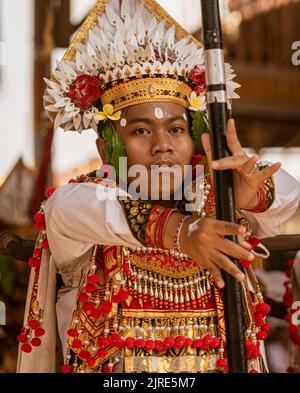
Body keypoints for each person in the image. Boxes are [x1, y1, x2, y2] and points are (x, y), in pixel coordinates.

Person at [17, 0, 300, 373]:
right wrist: (184, 233)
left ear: (193, 138)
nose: (162, 144)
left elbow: (287, 190)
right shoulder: (81, 207)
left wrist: (249, 195)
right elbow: (82, 208)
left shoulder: (219, 210)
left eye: (176, 129)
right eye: (140, 131)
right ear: (106, 147)